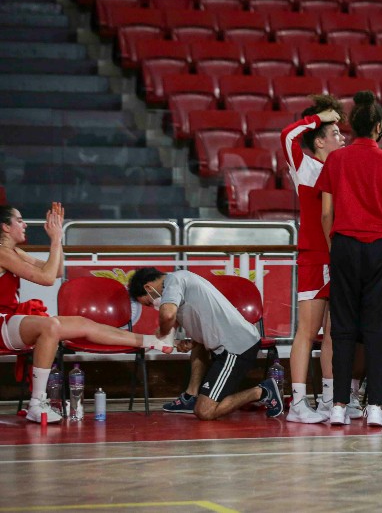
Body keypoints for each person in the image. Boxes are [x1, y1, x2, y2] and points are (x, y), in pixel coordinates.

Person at [0, 204, 174, 423]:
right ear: (5, 227)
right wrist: (54, 239)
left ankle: (151, 340)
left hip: (7, 321)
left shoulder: (14, 252)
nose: (25, 224)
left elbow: (55, 272)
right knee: (50, 326)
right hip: (2, 322)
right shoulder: (2, 253)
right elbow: (46, 278)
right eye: (19, 220)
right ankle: (37, 403)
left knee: (82, 323)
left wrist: (58, 239)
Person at [317, 91, 382, 427]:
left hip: (344, 245)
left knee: (342, 327)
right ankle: (374, 406)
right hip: (380, 249)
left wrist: (335, 247)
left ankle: (339, 405)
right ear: (379, 127)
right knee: (376, 328)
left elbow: (325, 213)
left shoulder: (335, 160)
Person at [129, 268, 283, 421]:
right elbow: (194, 321)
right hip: (226, 344)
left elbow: (168, 315)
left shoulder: (173, 281)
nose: (154, 305)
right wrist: (188, 342)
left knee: (205, 411)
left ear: (148, 287)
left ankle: (263, 391)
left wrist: (162, 336)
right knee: (198, 345)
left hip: (236, 348)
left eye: (149, 302)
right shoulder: (183, 281)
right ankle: (190, 397)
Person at [279, 98, 346, 424]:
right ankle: (298, 403)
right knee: (307, 331)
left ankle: (330, 400)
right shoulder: (305, 167)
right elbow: (287, 136)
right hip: (314, 258)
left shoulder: (342, 168)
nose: (342, 138)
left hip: (339, 259)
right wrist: (318, 117)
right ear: (319, 141)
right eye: (335, 133)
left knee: (334, 334)